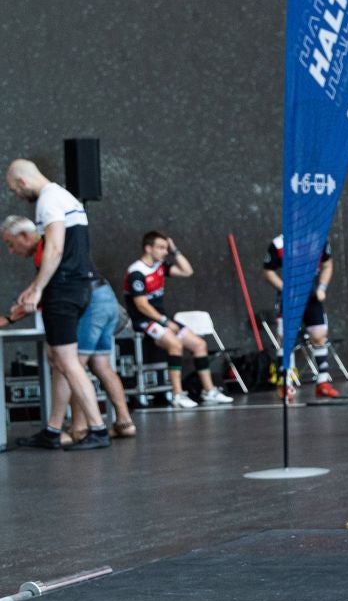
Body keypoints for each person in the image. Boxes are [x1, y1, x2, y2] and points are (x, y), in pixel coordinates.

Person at [3, 160, 111, 450]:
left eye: (14, 189)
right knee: (58, 359)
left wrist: (38, 288)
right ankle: (53, 429)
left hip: (64, 288)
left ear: (23, 182)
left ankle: (97, 429)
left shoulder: (48, 200)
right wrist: (35, 287)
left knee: (67, 361)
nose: (16, 194)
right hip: (72, 286)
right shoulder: (64, 196)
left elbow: (55, 247)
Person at [2, 215, 136, 443]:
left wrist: (9, 317)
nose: (11, 251)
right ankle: (125, 422)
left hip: (91, 301)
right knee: (101, 365)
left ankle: (79, 429)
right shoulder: (51, 244)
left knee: (70, 366)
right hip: (106, 298)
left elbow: (48, 291)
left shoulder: (47, 248)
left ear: (24, 235)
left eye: (10, 244)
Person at [123, 231, 233, 408]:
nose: (164, 251)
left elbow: (187, 271)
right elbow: (142, 305)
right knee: (175, 345)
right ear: (148, 248)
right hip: (143, 321)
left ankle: (209, 390)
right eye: (161, 247)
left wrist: (175, 251)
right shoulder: (137, 272)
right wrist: (166, 322)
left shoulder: (160, 266)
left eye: (166, 248)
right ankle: (177, 394)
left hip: (161, 319)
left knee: (199, 345)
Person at [262, 233, 340, 398]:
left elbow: (328, 264)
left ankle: (323, 382)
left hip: (312, 298)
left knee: (319, 336)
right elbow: (268, 271)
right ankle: (285, 385)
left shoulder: (319, 240)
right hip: (289, 301)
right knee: (286, 340)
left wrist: (322, 288)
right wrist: (285, 289)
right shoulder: (279, 243)